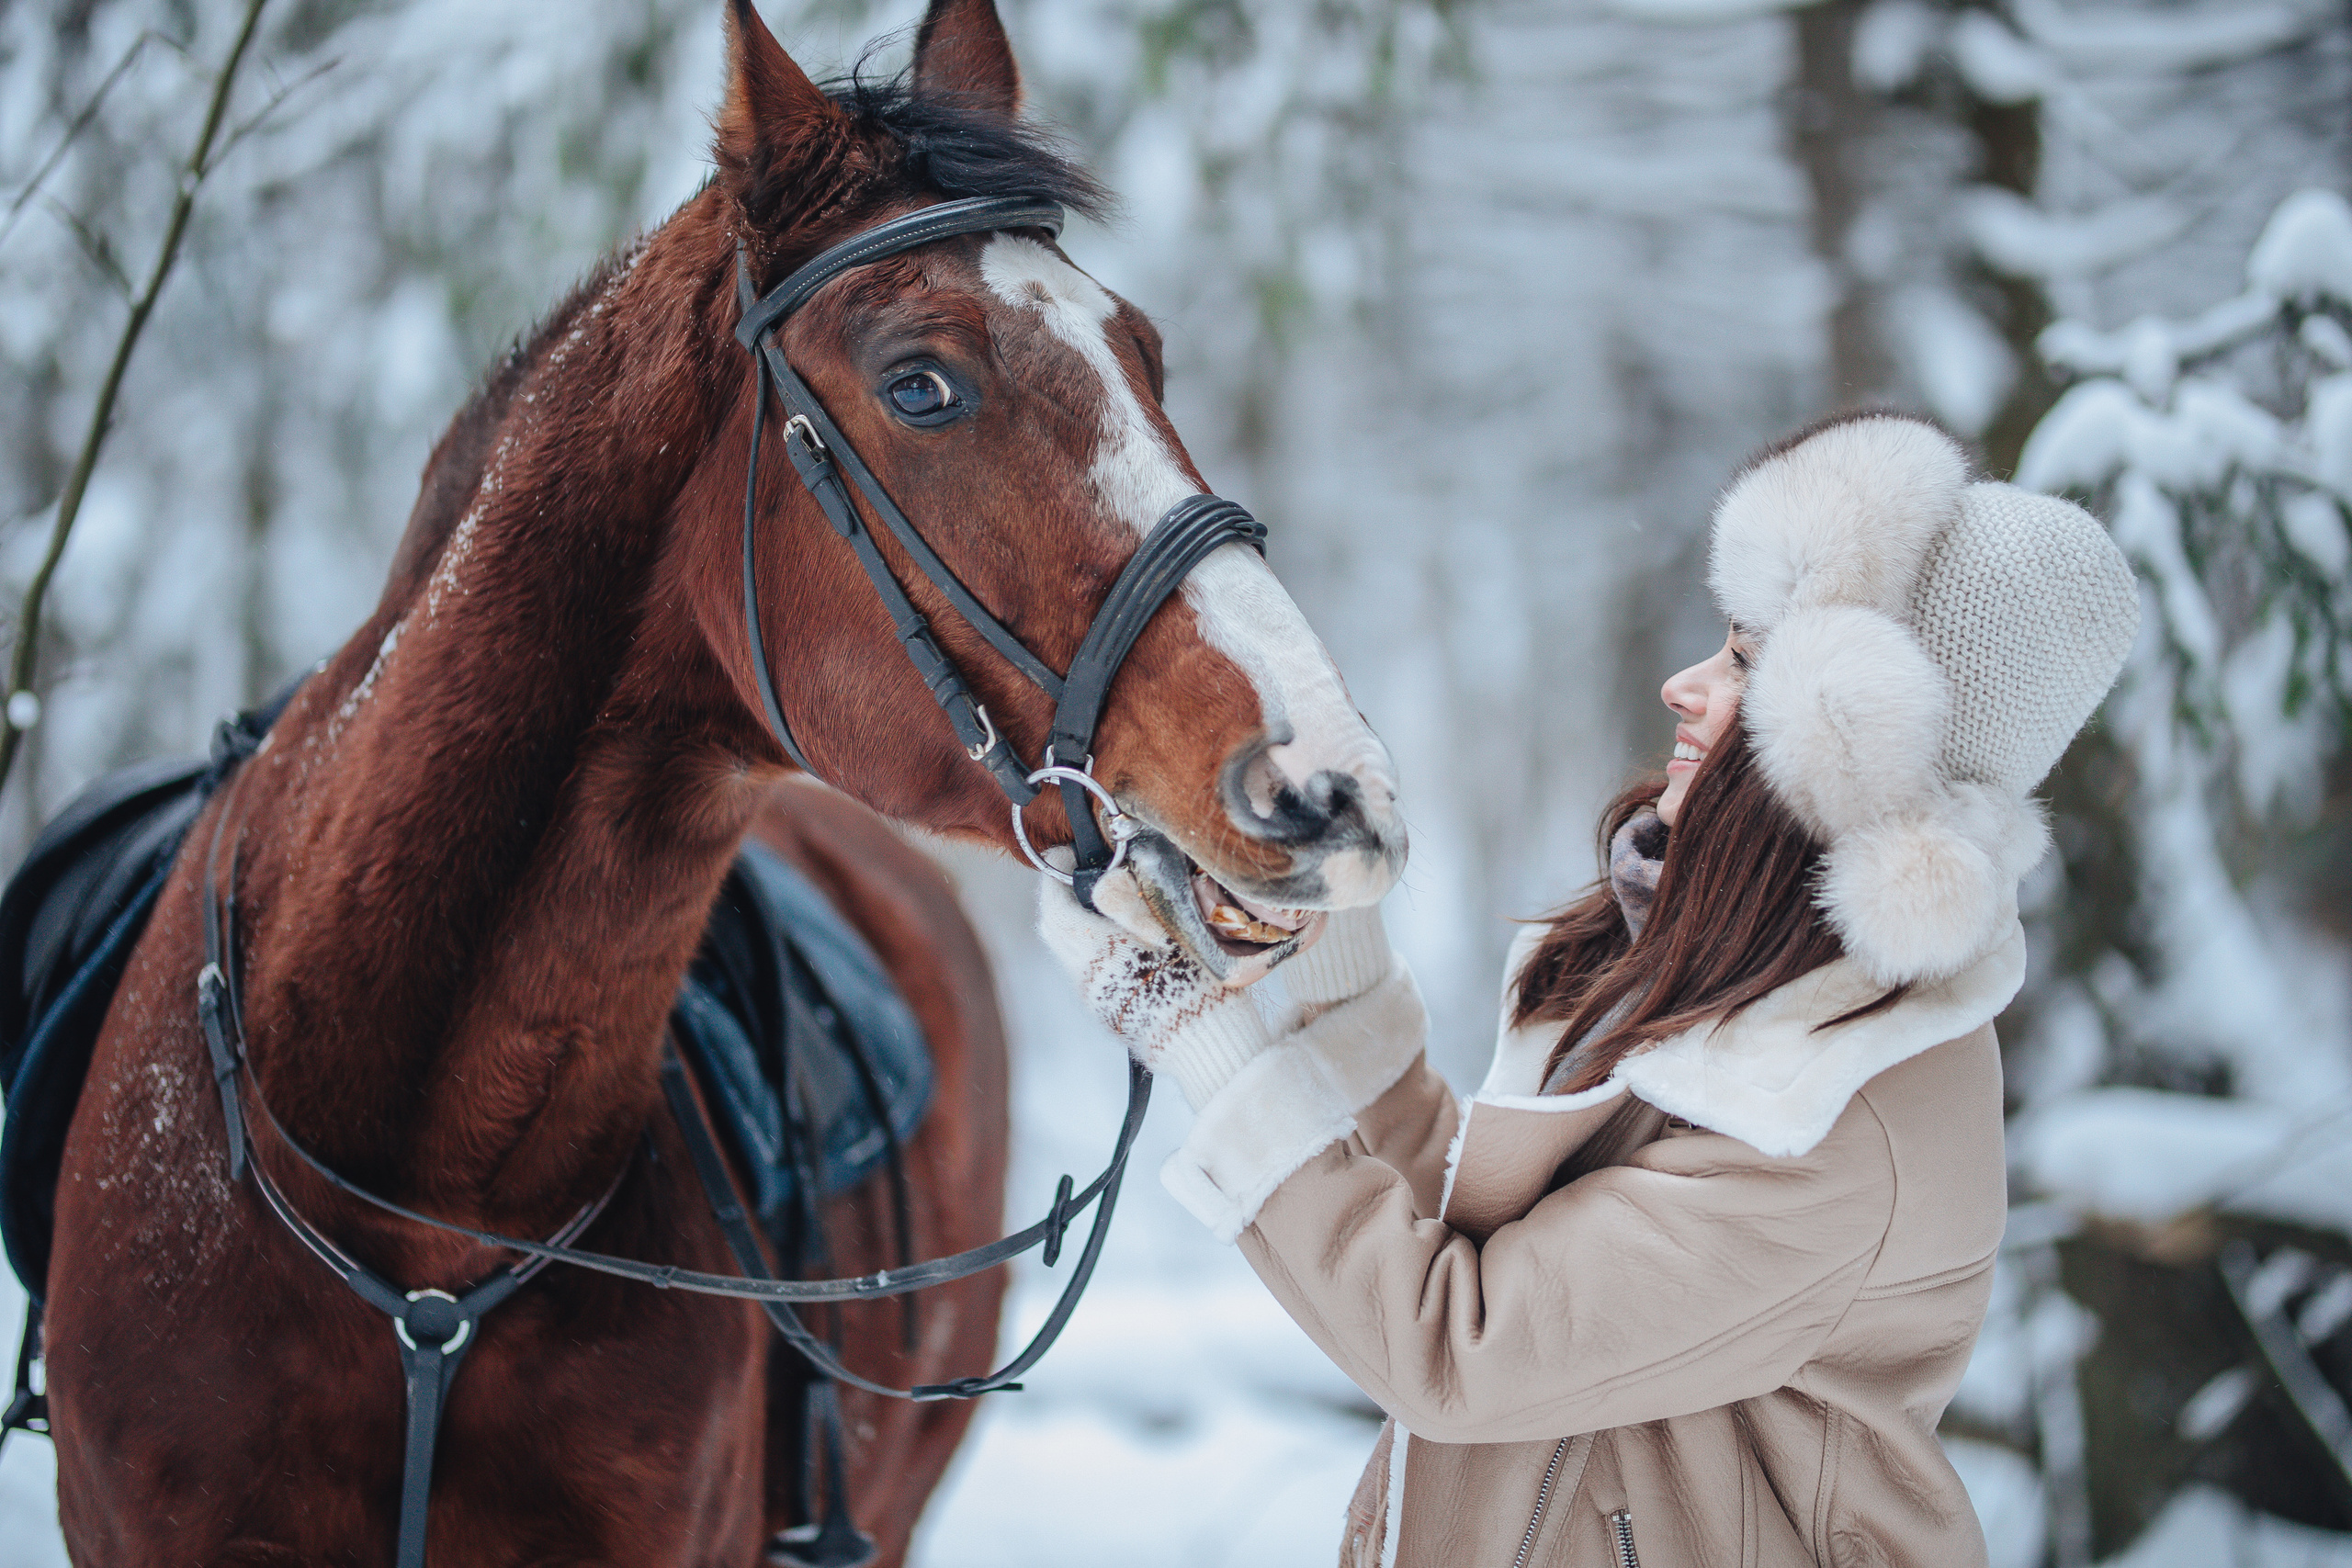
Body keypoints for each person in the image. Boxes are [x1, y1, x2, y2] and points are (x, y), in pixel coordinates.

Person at [1038, 412, 2141, 1566]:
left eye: (1746, 662)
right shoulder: (1732, 977)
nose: (1683, 685)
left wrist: (1208, 1043)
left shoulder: (1840, 1119)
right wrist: (1330, 946)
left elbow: (1459, 1349)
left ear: (1853, 738)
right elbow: (1493, 1247)